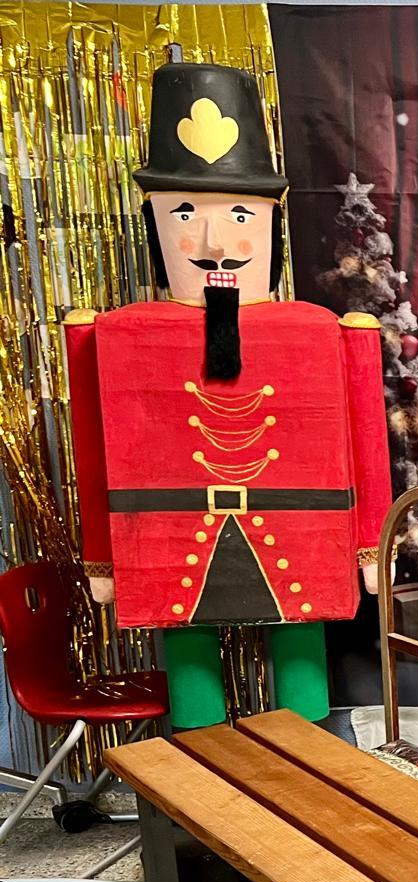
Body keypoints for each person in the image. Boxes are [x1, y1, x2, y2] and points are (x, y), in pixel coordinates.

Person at [65, 61, 390, 729]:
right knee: (188, 657)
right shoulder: (117, 334)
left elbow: (365, 438)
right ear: (155, 224)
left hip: (296, 527)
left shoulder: (327, 331)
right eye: (185, 213)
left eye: (239, 213)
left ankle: (305, 769)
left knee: (301, 651)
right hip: (172, 530)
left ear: (270, 223)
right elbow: (96, 449)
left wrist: (368, 544)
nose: (214, 244)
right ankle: (204, 773)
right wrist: (102, 553)